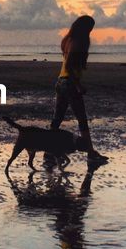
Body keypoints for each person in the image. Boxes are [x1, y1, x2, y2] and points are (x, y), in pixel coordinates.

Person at [51, 15, 107, 162]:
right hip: (69, 84)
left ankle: (48, 151)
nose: (91, 32)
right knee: (82, 119)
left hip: (60, 82)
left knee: (57, 119)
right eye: (90, 29)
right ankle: (90, 153)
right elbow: (69, 65)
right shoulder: (78, 43)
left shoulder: (67, 40)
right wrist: (78, 85)